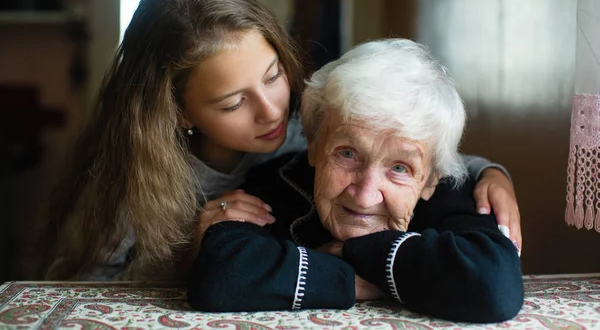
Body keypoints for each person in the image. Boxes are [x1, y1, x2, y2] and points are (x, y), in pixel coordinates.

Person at [37, 0, 519, 282]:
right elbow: (84, 295)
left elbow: (403, 148)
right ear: (178, 112)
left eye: (273, 77)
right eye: (233, 103)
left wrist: (489, 173)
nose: (271, 111)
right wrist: (189, 255)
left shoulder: (297, 132)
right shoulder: (132, 182)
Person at [187, 39, 524, 323]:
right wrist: (349, 280)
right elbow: (218, 275)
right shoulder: (276, 183)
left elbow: (495, 286)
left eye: (400, 169)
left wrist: (354, 251)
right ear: (316, 145)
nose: (364, 196)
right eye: (347, 154)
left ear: (431, 180)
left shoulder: (454, 194)